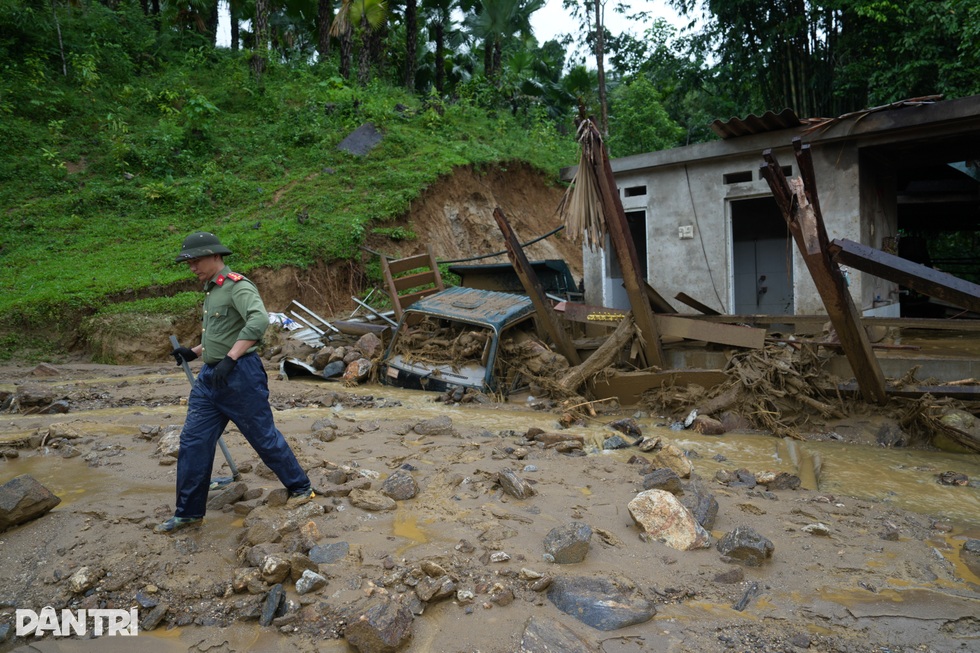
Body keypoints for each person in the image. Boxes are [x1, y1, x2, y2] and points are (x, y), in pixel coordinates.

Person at [155, 231, 314, 534]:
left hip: (240, 375)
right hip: (211, 377)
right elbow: (221, 334)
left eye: (196, 260)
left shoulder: (238, 287)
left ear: (215, 256)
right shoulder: (212, 290)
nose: (192, 267)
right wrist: (195, 351)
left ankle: (301, 488)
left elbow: (258, 320)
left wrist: (231, 358)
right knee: (193, 441)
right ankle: (188, 512)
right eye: (189, 262)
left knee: (262, 438)